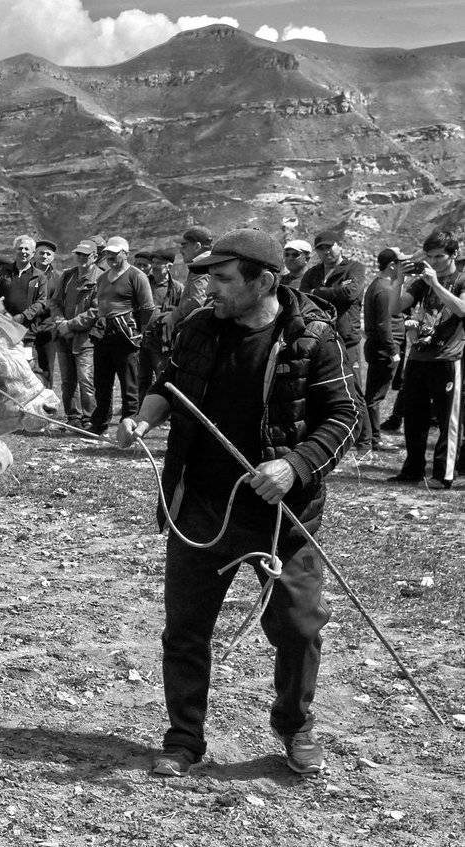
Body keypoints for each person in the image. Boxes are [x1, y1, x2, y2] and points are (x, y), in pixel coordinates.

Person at [116, 227, 357, 779]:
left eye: (223, 279)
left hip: (282, 517)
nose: (211, 290)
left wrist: (294, 465)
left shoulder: (314, 337)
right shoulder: (199, 328)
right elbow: (168, 385)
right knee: (185, 630)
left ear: (264, 281)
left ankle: (295, 724)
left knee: (299, 629)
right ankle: (184, 737)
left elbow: (346, 415)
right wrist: (142, 419)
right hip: (200, 508)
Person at [387, 232, 465, 487]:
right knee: (414, 416)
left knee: (447, 420)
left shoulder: (461, 279)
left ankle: (443, 475)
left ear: (454, 254)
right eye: (430, 256)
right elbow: (395, 308)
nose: (434, 261)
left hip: (448, 357)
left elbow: (462, 310)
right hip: (419, 356)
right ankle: (412, 470)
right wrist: (398, 280)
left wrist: (437, 284)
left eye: (440, 256)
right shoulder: (422, 282)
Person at [300, 231, 369, 453]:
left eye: (329, 246)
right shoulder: (313, 272)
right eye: (321, 248)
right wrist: (332, 292)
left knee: (355, 389)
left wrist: (317, 291)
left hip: (347, 338)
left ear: (340, 246)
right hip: (323, 338)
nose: (326, 252)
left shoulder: (354, 268)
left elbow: (350, 293)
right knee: (324, 388)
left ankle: (365, 440)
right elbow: (304, 297)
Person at [85, 236, 154, 434]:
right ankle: (99, 423)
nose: (111, 257)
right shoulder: (102, 278)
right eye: (108, 253)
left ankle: (128, 424)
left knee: (129, 383)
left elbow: (147, 307)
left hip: (126, 334)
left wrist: (139, 332)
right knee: (101, 381)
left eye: (115, 254)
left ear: (125, 254)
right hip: (103, 333)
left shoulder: (136, 276)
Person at [48, 240, 100, 428]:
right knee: (67, 380)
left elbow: (96, 310)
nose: (81, 258)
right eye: (78, 254)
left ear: (95, 256)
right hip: (63, 337)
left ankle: (90, 419)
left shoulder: (101, 278)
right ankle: (73, 417)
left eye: (85, 255)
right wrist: (60, 321)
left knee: (86, 380)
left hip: (86, 339)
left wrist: (70, 325)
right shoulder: (67, 275)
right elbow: (55, 302)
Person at [361, 248, 405, 447]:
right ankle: (373, 439)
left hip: (380, 347)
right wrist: (393, 351)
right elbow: (383, 324)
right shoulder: (384, 289)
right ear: (392, 265)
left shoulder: (379, 285)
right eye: (401, 264)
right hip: (384, 350)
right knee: (374, 397)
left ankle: (370, 436)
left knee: (373, 395)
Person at [0, 235, 53, 383]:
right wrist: (3, 314)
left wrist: (22, 317)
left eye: (27, 249)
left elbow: (41, 302)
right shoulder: (2, 273)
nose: (23, 252)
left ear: (33, 253)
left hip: (27, 333)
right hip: (4, 330)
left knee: (28, 368)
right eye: (20, 248)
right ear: (14, 250)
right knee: (6, 370)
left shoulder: (39, 276)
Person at [138, 250, 184, 401]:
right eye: (153, 262)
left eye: (159, 263)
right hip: (141, 339)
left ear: (169, 266)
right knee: (142, 379)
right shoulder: (143, 283)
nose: (154, 266)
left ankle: (164, 408)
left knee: (162, 377)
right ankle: (143, 409)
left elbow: (182, 314)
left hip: (162, 341)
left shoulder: (177, 288)